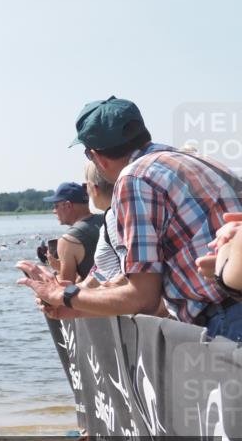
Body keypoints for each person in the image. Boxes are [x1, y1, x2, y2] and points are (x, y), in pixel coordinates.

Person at [20, 96, 242, 342]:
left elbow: (143, 298)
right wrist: (76, 307)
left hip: (228, 320)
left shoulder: (135, 178)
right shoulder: (198, 160)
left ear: (97, 157)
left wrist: (62, 293)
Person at [43, 182, 105, 282]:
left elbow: (66, 289)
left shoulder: (67, 240)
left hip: (99, 295)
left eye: (56, 206)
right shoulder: (108, 218)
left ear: (68, 205)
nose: (54, 211)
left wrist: (56, 271)